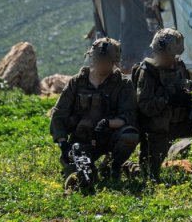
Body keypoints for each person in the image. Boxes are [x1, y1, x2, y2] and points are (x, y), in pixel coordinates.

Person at [49, 37, 139, 182]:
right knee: (83, 179)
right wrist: (63, 143)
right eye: (98, 60)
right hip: (82, 140)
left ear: (114, 62)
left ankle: (113, 166)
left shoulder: (123, 84)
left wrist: (107, 123)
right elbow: (59, 113)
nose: (101, 64)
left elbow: (129, 116)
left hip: (109, 137)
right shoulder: (77, 82)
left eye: (106, 61)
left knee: (129, 135)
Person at [135, 28, 192, 179]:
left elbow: (186, 89)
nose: (164, 58)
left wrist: (188, 100)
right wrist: (168, 99)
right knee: (149, 174)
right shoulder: (148, 72)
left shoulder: (180, 66)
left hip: (180, 122)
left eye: (168, 55)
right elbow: (144, 106)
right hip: (158, 129)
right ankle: (130, 168)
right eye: (160, 54)